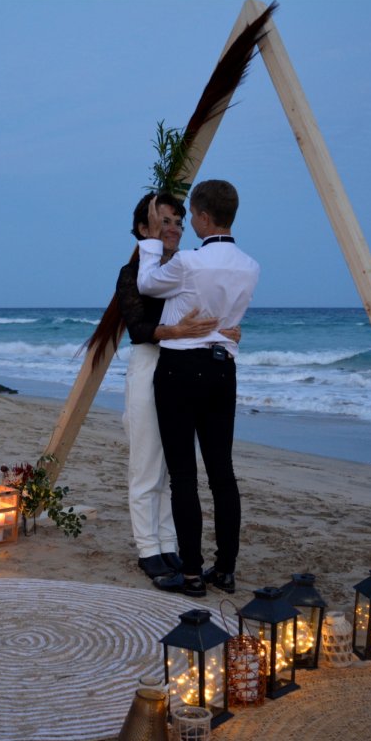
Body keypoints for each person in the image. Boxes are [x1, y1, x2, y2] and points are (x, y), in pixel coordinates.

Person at [85, 192, 240, 582]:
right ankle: (148, 548)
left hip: (188, 369)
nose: (173, 229)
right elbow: (138, 329)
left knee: (177, 470)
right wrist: (174, 331)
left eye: (178, 222)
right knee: (146, 464)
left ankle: (170, 544)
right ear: (143, 229)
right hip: (151, 366)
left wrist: (228, 331)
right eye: (164, 222)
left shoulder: (190, 266)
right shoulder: (131, 272)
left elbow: (212, 317)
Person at [137, 180, 259, 597]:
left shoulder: (190, 262)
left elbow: (148, 284)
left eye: (191, 215)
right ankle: (225, 569)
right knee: (222, 474)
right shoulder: (250, 265)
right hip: (223, 369)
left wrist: (153, 239)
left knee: (184, 477)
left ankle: (191, 573)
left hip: (180, 369)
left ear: (203, 217)